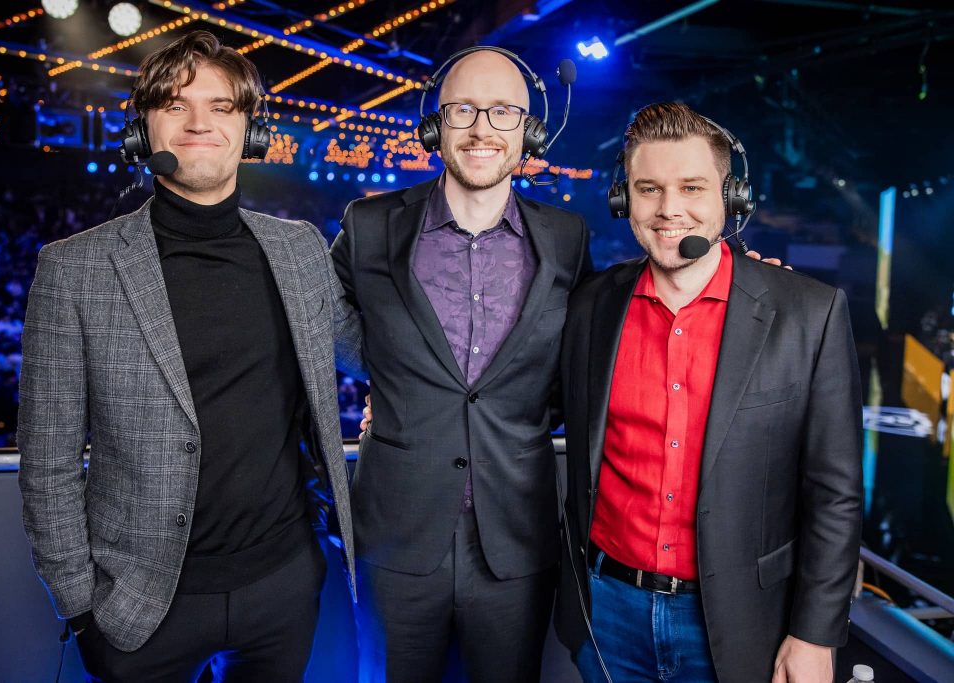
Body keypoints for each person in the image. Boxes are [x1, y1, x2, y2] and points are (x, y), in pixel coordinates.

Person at [18, 30, 362, 681]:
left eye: (221, 106)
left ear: (250, 131)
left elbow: (370, 354)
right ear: (141, 131)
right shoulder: (74, 269)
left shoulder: (298, 249)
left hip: (284, 583)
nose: (199, 122)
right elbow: (47, 462)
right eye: (175, 105)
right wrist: (81, 609)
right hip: (140, 607)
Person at [554, 101, 863, 683]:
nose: (669, 209)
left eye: (692, 187)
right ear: (623, 200)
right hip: (606, 610)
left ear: (732, 198)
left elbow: (835, 492)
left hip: (743, 621)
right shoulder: (590, 305)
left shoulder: (808, 313)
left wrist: (815, 635)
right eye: (648, 189)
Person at [331, 46, 592, 682]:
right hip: (394, 533)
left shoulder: (567, 237)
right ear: (436, 124)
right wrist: (390, 382)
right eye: (464, 110)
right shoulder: (369, 224)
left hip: (517, 538)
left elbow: (589, 347)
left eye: (502, 111)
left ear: (528, 131)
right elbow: (321, 318)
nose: (482, 128)